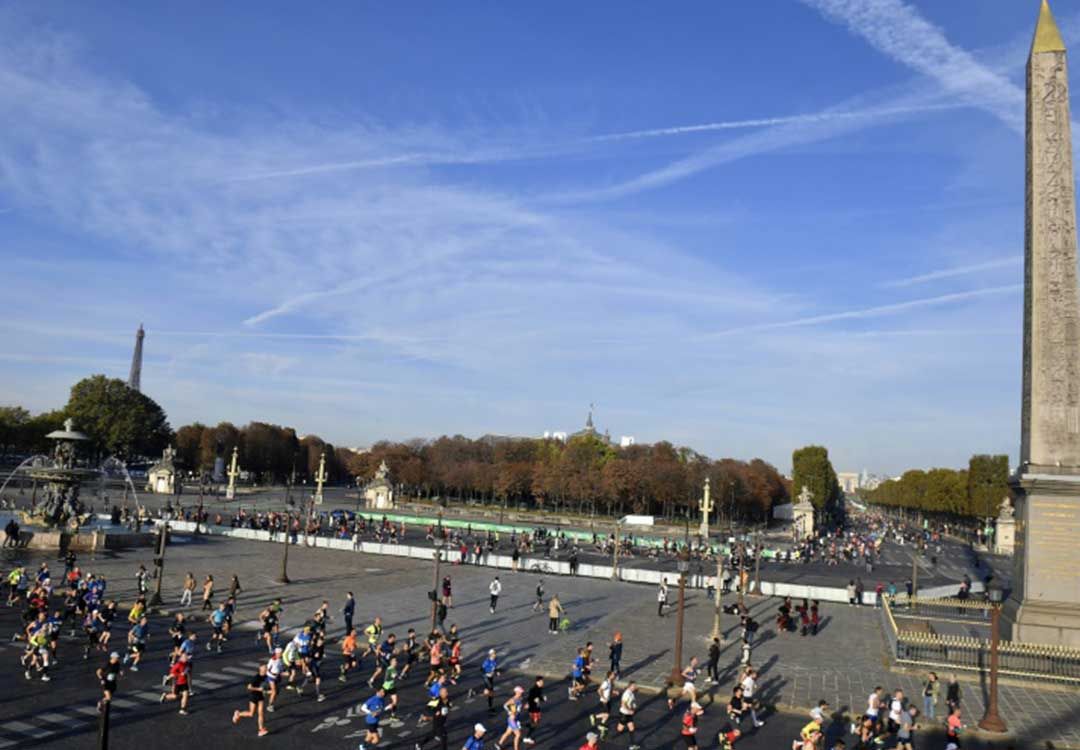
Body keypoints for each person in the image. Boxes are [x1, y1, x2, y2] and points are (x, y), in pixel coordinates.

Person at [233, 664, 270, 737]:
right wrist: (258, 689)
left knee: (261, 713)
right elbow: (249, 687)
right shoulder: (256, 678)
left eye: (266, 668)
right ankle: (238, 714)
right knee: (251, 714)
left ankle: (261, 730)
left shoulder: (266, 676)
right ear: (261, 670)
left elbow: (265, 687)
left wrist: (268, 691)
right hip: (254, 696)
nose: (266, 670)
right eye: (265, 669)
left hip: (260, 696)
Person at [415, 685, 451, 750]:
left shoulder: (447, 700)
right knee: (444, 736)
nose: (447, 693)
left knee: (433, 734)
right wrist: (435, 712)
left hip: (442, 720)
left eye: (447, 692)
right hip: (437, 721)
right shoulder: (436, 700)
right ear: (441, 693)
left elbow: (448, 707)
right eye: (445, 692)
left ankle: (419, 744)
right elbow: (427, 707)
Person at [497, 685, 525, 750]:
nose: (521, 693)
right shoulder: (513, 700)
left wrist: (525, 707)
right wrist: (510, 712)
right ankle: (516, 748)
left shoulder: (520, 698)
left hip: (515, 719)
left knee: (508, 732)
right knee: (518, 735)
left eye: (521, 691)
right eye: (520, 692)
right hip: (512, 720)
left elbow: (518, 708)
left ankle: (499, 744)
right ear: (516, 692)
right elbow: (505, 705)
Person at [614, 681, 640, 750]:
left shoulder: (631, 693)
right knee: (620, 729)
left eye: (635, 686)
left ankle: (632, 745)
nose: (635, 687)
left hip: (628, 714)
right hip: (624, 714)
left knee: (632, 728)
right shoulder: (627, 693)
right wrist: (630, 710)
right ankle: (612, 735)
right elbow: (623, 704)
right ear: (629, 686)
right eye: (633, 686)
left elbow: (632, 701)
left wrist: (634, 706)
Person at [590, 671, 616, 739]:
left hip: (608, 701)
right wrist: (604, 698)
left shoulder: (611, 682)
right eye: (613, 674)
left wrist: (614, 692)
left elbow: (609, 691)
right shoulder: (606, 682)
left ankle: (601, 725)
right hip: (604, 701)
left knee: (606, 715)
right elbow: (599, 690)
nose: (614, 675)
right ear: (609, 675)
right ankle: (594, 716)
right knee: (607, 714)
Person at [524, 675, 545, 745]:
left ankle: (522, 725)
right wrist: (533, 700)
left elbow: (538, 697)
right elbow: (529, 699)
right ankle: (527, 737)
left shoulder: (540, 688)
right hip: (533, 709)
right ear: (537, 682)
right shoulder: (533, 689)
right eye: (541, 681)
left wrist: (542, 699)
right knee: (534, 724)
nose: (543, 682)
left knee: (536, 723)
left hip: (537, 708)